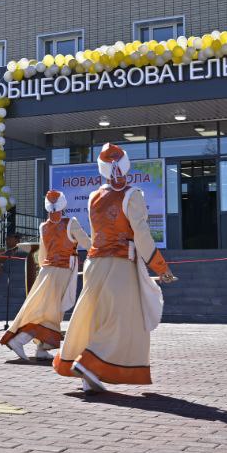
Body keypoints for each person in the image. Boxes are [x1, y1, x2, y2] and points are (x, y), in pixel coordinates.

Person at [54, 143, 175, 393]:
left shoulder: (93, 196)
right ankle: (88, 364)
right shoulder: (133, 195)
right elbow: (142, 234)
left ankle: (88, 374)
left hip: (93, 263)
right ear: (126, 164)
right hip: (119, 264)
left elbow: (96, 234)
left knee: (94, 317)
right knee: (122, 319)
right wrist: (160, 266)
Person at [2, 190, 90, 360]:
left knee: (47, 310)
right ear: (63, 205)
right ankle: (19, 340)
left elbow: (42, 255)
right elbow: (87, 243)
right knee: (50, 312)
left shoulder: (43, 227)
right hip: (62, 271)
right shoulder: (71, 223)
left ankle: (42, 349)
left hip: (46, 271)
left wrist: (45, 270)